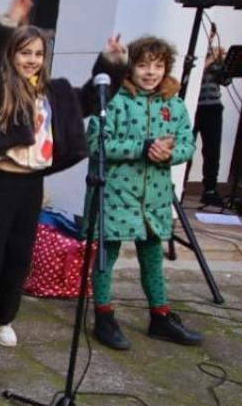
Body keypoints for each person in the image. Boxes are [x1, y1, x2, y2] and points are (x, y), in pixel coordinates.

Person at [0, 0, 86, 362]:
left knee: (19, 257)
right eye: (24, 52)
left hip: (33, 183)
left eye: (37, 54)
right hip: (3, 182)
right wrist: (5, 23)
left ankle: (2, 316)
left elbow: (87, 100)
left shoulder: (51, 93)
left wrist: (113, 64)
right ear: (12, 55)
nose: (31, 60)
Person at [88, 34, 204, 350]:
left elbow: (186, 144)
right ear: (130, 67)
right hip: (116, 193)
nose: (150, 72)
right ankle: (104, 316)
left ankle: (161, 316)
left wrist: (171, 154)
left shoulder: (174, 104)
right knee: (106, 256)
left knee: (153, 256)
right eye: (142, 65)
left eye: (157, 65)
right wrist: (141, 147)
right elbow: (97, 143)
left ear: (166, 68)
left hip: (153, 196)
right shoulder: (114, 100)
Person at [195, 38, 231, 206]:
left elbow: (226, 81)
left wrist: (224, 63)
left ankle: (210, 189)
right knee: (186, 146)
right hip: (194, 107)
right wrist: (209, 60)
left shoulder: (216, 60)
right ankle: (178, 186)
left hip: (213, 107)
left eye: (211, 34)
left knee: (212, 150)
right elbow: (194, 74)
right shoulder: (193, 52)